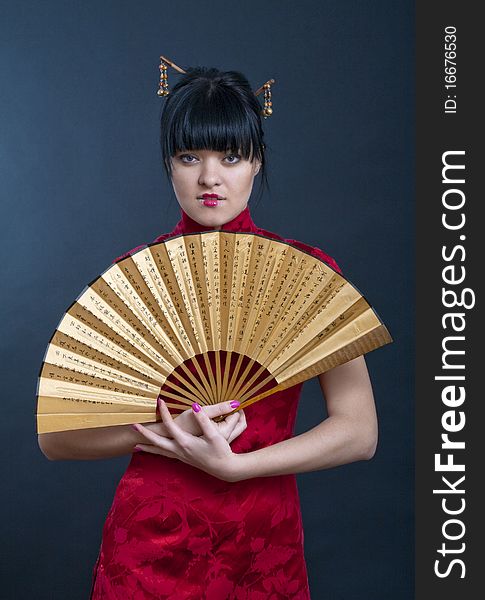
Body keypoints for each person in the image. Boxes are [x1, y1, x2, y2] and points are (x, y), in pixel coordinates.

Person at [38, 64, 378, 599]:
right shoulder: (137, 277)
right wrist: (170, 434)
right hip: (147, 546)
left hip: (264, 543)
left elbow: (359, 433)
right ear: (169, 165)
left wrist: (240, 468)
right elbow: (56, 440)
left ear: (256, 161)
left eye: (231, 156)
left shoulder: (306, 274)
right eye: (189, 157)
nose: (209, 178)